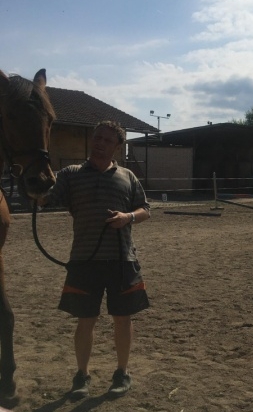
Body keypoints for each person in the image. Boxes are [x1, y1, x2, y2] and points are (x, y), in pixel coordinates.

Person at [39, 120, 151, 399]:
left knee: (122, 319)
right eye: (97, 137)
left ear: (117, 146)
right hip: (83, 261)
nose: (100, 143)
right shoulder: (71, 174)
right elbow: (46, 199)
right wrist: (33, 182)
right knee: (85, 319)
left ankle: (122, 372)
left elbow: (145, 209)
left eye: (107, 140)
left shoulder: (128, 176)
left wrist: (128, 217)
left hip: (122, 260)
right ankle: (82, 375)